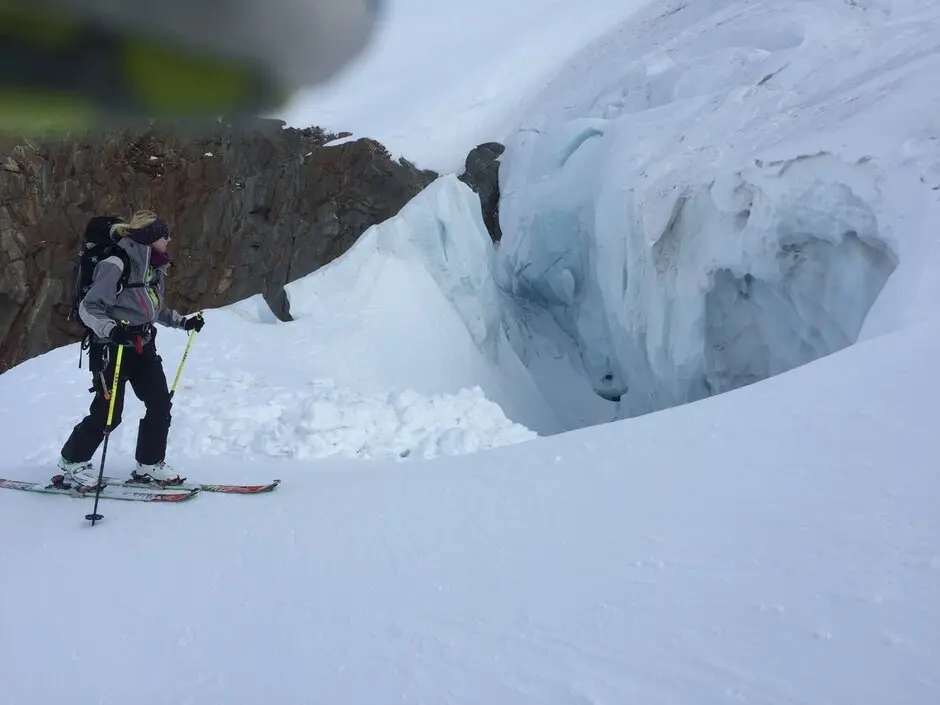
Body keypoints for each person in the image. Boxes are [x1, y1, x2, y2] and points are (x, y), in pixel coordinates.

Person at [56, 210, 205, 490]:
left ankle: (149, 464)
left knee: (160, 403)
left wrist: (182, 322)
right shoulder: (116, 263)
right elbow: (89, 308)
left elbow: (152, 308)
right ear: (150, 239)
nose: (169, 240)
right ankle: (72, 462)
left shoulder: (154, 267)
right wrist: (112, 330)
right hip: (111, 348)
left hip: (142, 345)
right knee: (109, 413)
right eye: (165, 236)